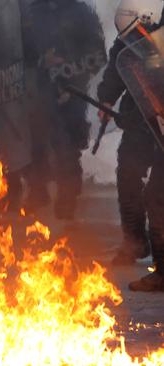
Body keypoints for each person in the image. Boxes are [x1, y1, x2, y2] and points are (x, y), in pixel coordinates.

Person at [22, 0, 105, 219]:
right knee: (36, 140)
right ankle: (38, 191)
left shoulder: (81, 12)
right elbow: (22, 51)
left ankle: (67, 197)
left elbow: (98, 54)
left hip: (72, 89)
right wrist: (41, 61)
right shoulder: (31, 10)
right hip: (39, 89)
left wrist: (74, 80)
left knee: (66, 144)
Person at [97, 0, 163, 267]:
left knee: (158, 192)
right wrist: (106, 99)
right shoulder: (129, 37)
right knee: (128, 174)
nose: (133, 40)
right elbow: (117, 65)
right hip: (140, 114)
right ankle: (134, 241)